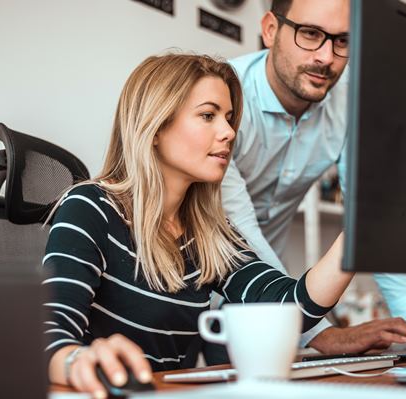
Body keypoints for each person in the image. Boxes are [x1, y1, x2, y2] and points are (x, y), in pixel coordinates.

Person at [41, 53, 370, 397]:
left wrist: (361, 230)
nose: (228, 132)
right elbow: (48, 334)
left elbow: (287, 309)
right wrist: (77, 360)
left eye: (228, 118)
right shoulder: (89, 208)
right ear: (154, 127)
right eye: (208, 116)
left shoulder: (208, 234)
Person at [218, 0, 406, 358]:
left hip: (274, 289)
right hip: (204, 274)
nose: (326, 57)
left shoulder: (350, 99)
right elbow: (237, 229)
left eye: (342, 41)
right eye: (310, 34)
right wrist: (320, 331)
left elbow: (373, 211)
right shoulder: (224, 98)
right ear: (271, 29)